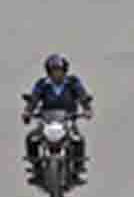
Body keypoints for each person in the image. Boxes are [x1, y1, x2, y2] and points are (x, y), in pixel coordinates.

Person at [20, 53, 93, 183]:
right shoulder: (42, 84)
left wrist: (87, 109)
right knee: (31, 139)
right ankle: (37, 169)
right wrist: (27, 112)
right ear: (48, 72)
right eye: (53, 70)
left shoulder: (72, 82)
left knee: (78, 140)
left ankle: (77, 170)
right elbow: (34, 99)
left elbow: (82, 96)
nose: (56, 73)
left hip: (67, 120)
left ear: (64, 70)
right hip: (47, 120)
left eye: (59, 70)